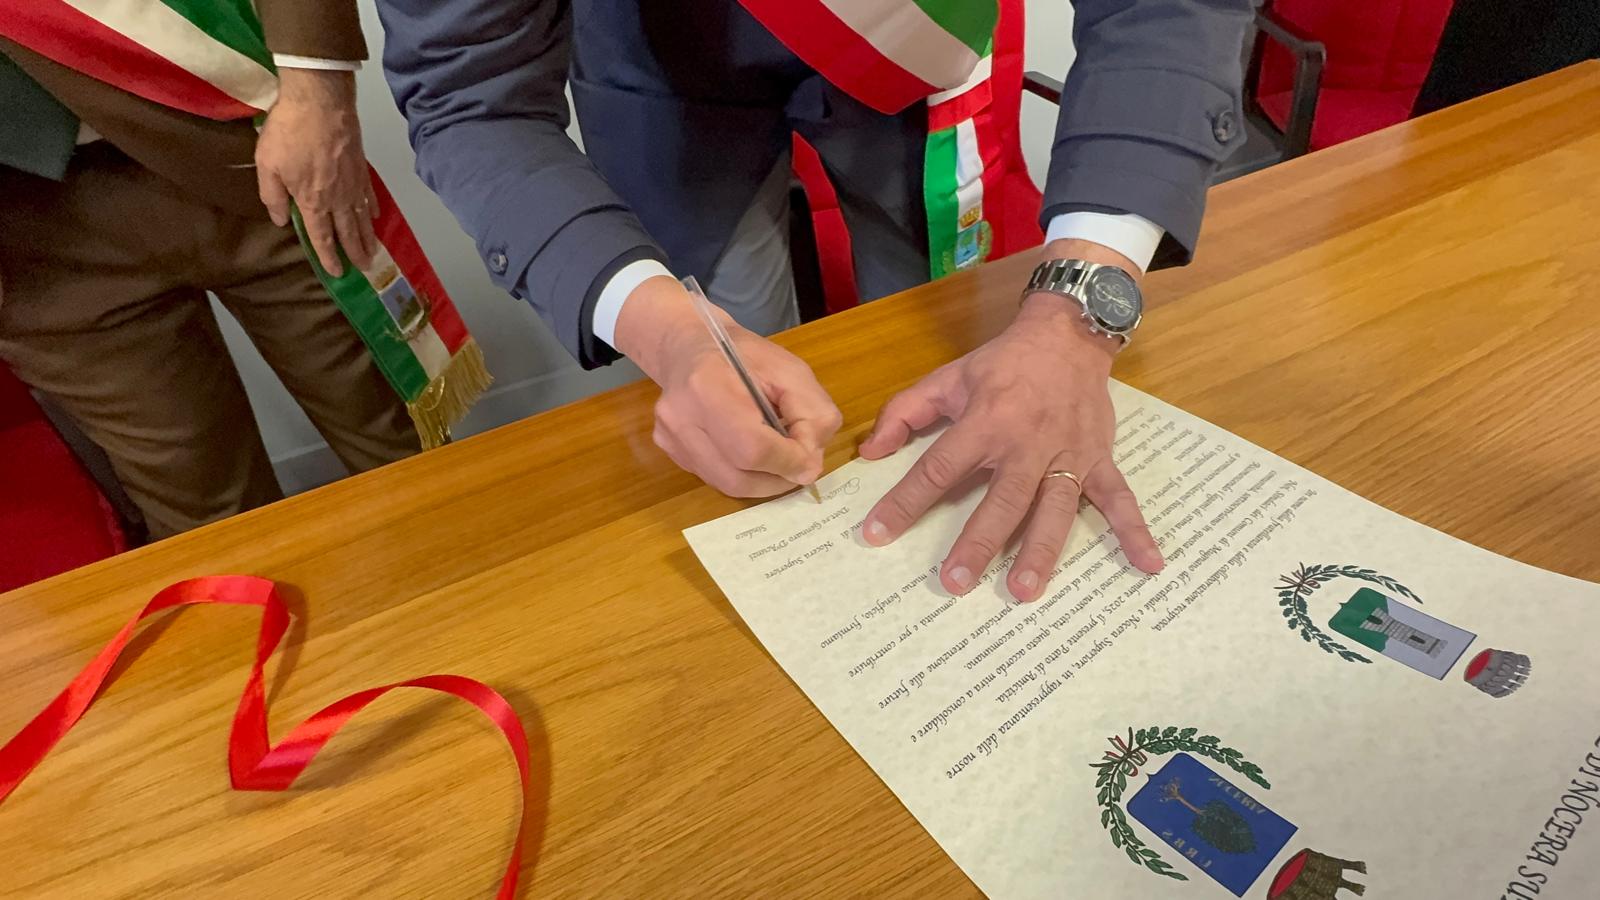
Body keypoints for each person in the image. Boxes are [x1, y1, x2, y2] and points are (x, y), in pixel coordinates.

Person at [379, 0, 1254, 601]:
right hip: (656, 54)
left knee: (947, 371)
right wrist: (668, 332)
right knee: (736, 425)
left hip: (913, 33)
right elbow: (469, 97)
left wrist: (1076, 318)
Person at [0, 3, 419, 540]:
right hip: (36, 245)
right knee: (214, 534)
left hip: (248, 150)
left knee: (406, 449)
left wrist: (318, 91)